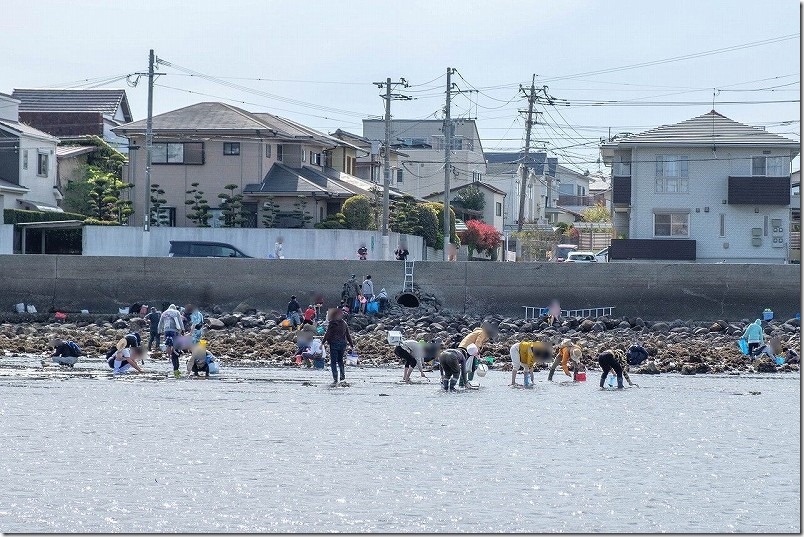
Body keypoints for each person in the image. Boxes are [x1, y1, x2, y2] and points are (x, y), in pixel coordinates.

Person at [322, 307, 354, 387]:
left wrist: (322, 343)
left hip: (334, 344)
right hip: (343, 344)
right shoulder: (344, 323)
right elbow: (348, 335)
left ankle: (335, 379)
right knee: (340, 361)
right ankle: (342, 378)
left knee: (333, 362)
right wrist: (351, 345)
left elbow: (327, 334)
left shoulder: (332, 323)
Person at [158, 304, 185, 371]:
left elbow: (160, 322)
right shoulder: (176, 312)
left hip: (166, 330)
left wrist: (159, 330)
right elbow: (180, 321)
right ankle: (175, 351)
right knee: (176, 343)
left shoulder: (164, 313)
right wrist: (183, 329)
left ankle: (169, 354)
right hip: (174, 331)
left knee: (168, 343)